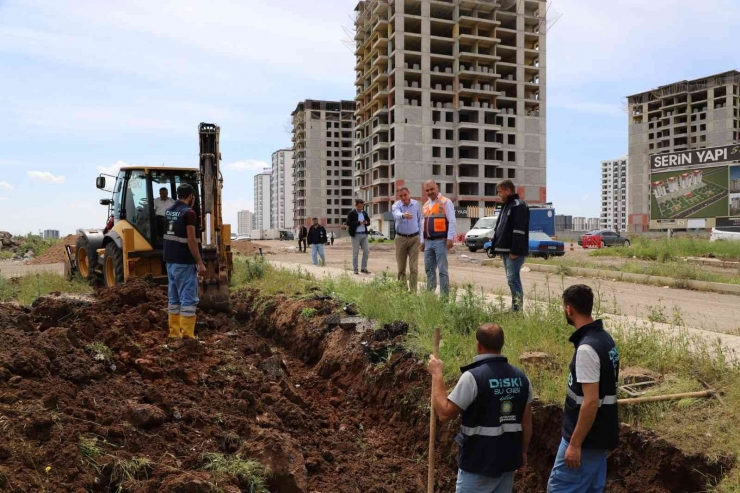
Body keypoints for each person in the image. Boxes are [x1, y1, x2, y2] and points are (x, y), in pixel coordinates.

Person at [428, 323, 533, 493]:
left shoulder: (473, 377)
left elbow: (444, 413)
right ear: (501, 345)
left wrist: (437, 374)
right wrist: (523, 452)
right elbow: (526, 423)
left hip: (477, 465)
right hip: (507, 462)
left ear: (479, 345)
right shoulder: (522, 378)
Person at [548, 285, 620, 493]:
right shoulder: (605, 339)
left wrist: (575, 444)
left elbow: (590, 401)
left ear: (569, 309)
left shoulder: (587, 348)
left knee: (560, 488)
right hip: (598, 440)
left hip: (585, 442)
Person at [163, 183, 206, 340]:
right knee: (188, 299)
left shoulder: (169, 211)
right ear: (191, 196)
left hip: (170, 261)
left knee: (174, 299)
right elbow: (191, 240)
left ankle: (174, 334)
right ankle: (188, 337)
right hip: (184, 262)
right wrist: (199, 262)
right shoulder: (189, 213)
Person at [491, 180, 530, 312]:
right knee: (512, 279)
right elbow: (500, 228)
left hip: (514, 251)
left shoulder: (519, 205)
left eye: (500, 192)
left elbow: (519, 230)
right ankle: (516, 308)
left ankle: (517, 310)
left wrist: (515, 250)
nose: (499, 195)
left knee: (513, 280)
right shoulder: (506, 206)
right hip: (506, 250)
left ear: (508, 191)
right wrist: (497, 247)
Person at [421, 180, 456, 297]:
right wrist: (422, 241)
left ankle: (444, 299)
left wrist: (450, 238)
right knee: (429, 270)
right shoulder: (426, 205)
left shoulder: (446, 202)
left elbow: (452, 221)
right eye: (427, 190)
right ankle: (430, 296)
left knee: (442, 271)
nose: (430, 192)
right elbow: (423, 224)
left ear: (437, 187)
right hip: (428, 242)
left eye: (432, 189)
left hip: (441, 241)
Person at [391, 186, 422, 292]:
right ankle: (403, 292)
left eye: (405, 195)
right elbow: (396, 214)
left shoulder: (416, 204)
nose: (403, 197)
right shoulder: (396, 205)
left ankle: (413, 292)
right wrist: (403, 215)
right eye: (401, 196)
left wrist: (421, 238)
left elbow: (419, 220)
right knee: (401, 268)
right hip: (401, 239)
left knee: (414, 268)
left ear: (409, 193)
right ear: (398, 196)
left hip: (414, 238)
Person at [346, 199, 371, 275]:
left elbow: (368, 222)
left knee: (366, 251)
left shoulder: (364, 213)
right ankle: (355, 268)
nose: (360, 208)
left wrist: (366, 223)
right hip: (355, 235)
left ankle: (363, 268)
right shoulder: (352, 213)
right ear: (356, 205)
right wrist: (358, 223)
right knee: (355, 252)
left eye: (362, 206)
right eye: (359, 206)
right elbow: (348, 222)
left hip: (364, 234)